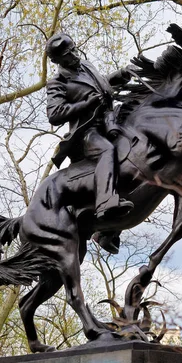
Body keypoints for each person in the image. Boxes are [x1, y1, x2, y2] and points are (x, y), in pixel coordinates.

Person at [45, 33, 132, 252]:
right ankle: (105, 205)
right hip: (86, 133)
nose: (74, 55)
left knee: (134, 151)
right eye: (67, 55)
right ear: (57, 61)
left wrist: (120, 75)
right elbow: (54, 114)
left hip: (108, 121)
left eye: (74, 49)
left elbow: (101, 86)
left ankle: (109, 232)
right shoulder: (58, 82)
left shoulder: (86, 65)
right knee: (107, 151)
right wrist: (85, 103)